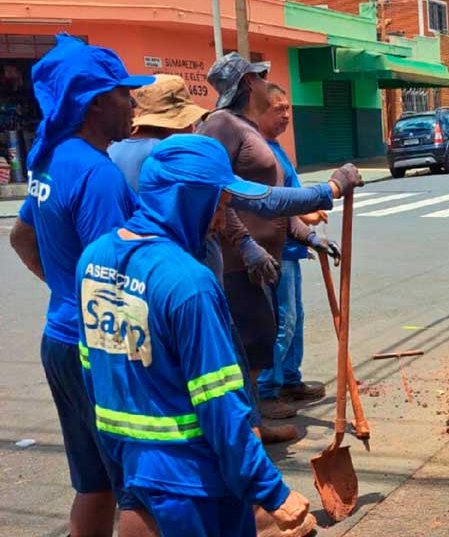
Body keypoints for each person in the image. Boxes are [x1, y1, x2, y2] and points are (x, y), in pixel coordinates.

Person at [76, 135, 315, 537]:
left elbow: (94, 373)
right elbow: (220, 402)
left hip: (134, 471)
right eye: (220, 203)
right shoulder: (189, 284)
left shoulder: (94, 260)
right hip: (196, 487)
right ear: (188, 200)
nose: (223, 218)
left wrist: (121, 466)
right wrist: (272, 492)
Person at [8, 34, 154, 537]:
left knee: (94, 483)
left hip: (61, 339)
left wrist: (65, 292)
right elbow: (117, 277)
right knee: (140, 483)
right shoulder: (97, 174)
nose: (131, 101)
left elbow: (21, 236)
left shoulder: (53, 159)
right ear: (94, 104)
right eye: (122, 93)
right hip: (101, 349)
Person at [198, 53, 344, 425]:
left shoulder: (247, 129)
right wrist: (245, 245)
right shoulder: (222, 126)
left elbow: (275, 202)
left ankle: (255, 423)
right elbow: (218, 193)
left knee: (262, 338)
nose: (267, 84)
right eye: (262, 78)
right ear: (248, 84)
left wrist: (309, 237)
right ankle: (251, 424)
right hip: (236, 263)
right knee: (248, 345)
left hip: (264, 261)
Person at [257, 83, 326, 414]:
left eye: (288, 108)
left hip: (292, 246)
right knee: (281, 321)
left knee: (295, 318)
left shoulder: (277, 148)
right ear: (259, 112)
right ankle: (266, 390)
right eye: (277, 109)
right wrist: (307, 215)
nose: (285, 114)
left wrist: (309, 230)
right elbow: (276, 203)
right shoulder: (261, 153)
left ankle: (289, 379)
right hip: (275, 248)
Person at [108, 74, 209, 190]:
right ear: (174, 124)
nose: (191, 127)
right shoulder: (171, 154)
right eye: (188, 121)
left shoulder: (112, 150)